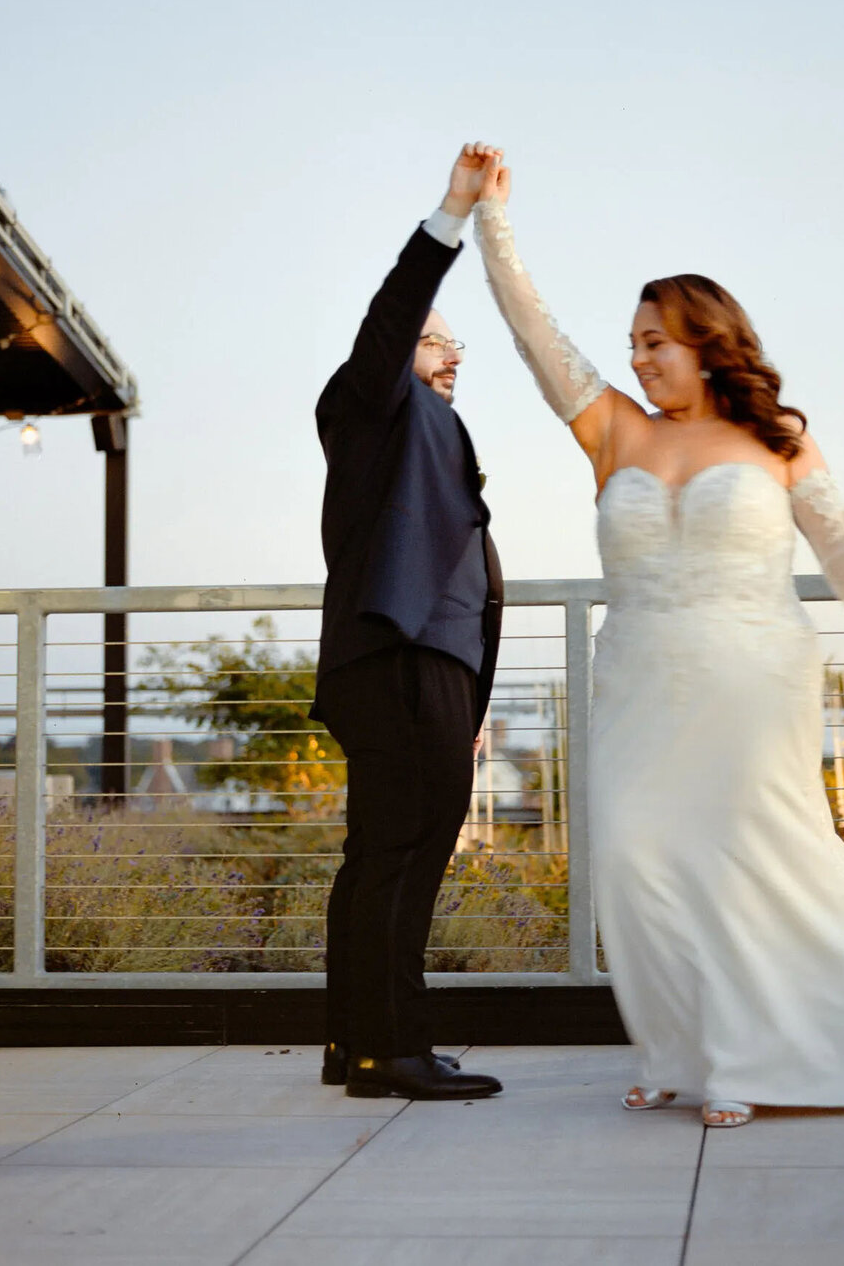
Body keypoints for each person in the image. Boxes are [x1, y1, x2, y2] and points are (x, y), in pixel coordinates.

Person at [470, 146, 844, 1128]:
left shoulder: (776, 434)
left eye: (659, 339)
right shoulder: (613, 427)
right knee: (639, 856)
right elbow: (533, 333)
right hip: (641, 677)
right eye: (634, 340)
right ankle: (672, 1045)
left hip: (756, 678)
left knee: (749, 857)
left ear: (709, 341)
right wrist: (492, 221)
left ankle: (743, 1056)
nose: (643, 355)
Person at [311, 144, 507, 1102]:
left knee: (378, 848)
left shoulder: (418, 432)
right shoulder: (370, 399)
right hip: (400, 654)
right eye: (437, 340)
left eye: (454, 343)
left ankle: (353, 1040)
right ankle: (394, 1047)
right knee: (412, 845)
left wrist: (470, 696)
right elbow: (391, 315)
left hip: (410, 663)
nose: (452, 351)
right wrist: (451, 213)